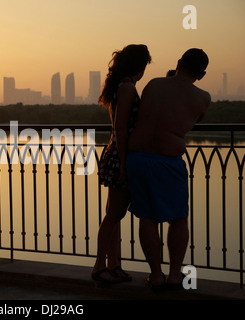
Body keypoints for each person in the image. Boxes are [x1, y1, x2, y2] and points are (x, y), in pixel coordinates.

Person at [126, 48, 211, 290]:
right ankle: (174, 275)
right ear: (202, 74)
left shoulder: (153, 84)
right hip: (167, 160)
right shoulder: (202, 96)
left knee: (147, 217)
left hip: (138, 157)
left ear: (178, 63)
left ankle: (155, 275)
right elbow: (197, 119)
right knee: (178, 218)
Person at [92, 44, 152, 283]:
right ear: (140, 66)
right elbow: (121, 127)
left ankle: (113, 264)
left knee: (113, 214)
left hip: (115, 153)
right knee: (114, 215)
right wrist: (125, 164)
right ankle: (99, 266)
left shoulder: (120, 86)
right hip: (121, 156)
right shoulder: (127, 88)